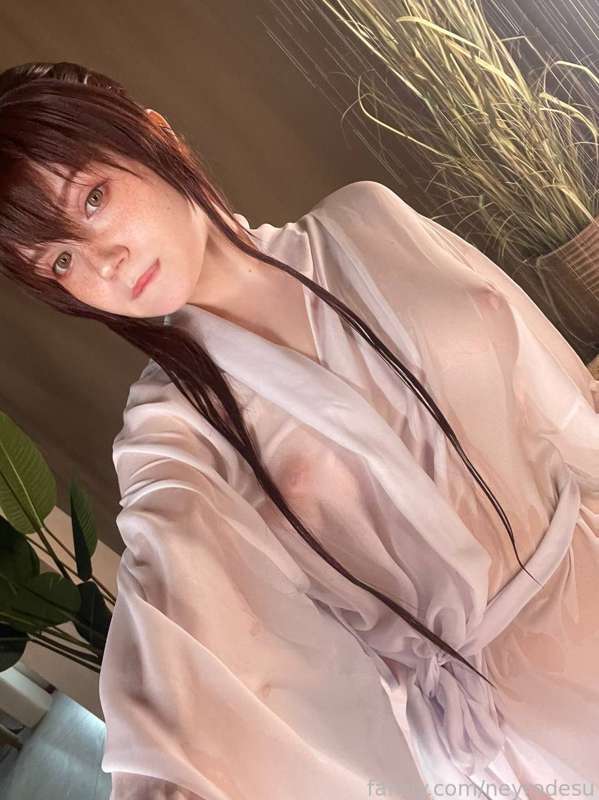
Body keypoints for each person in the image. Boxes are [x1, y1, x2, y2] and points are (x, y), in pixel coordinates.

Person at [0, 60, 598, 800]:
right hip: (524, 730)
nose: (105, 263)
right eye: (61, 261)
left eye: (92, 199)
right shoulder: (170, 433)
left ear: (152, 135)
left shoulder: (369, 219)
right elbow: (172, 617)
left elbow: (560, 396)